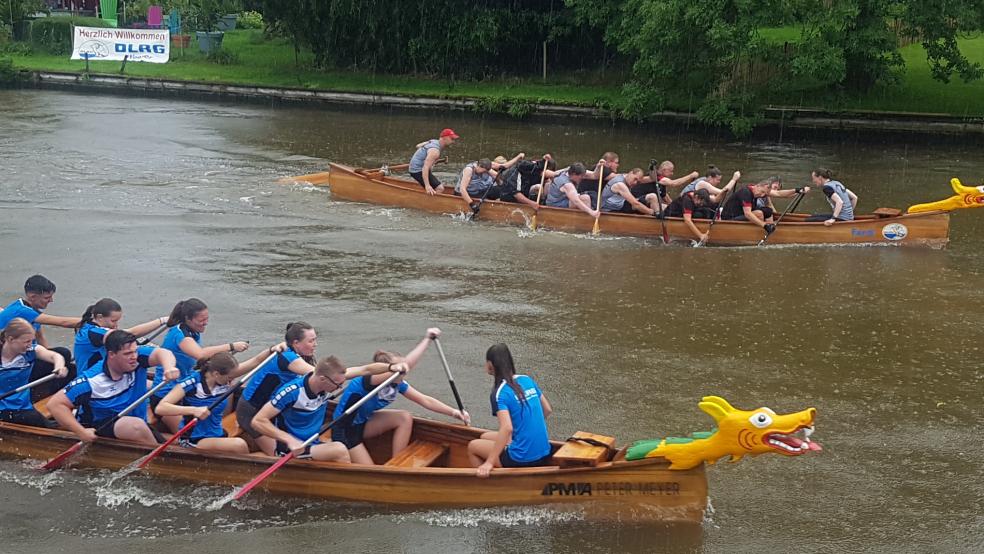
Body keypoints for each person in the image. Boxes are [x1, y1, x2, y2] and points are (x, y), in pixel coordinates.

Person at [332, 327, 471, 465]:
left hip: (363, 424)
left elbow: (425, 400)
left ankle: (397, 463)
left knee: (404, 417)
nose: (404, 371)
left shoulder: (397, 383)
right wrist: (427, 339)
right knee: (371, 470)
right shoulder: (371, 380)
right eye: (399, 367)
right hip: (344, 431)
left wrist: (454, 412)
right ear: (387, 369)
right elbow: (408, 364)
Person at [252, 356, 408, 461]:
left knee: (339, 450)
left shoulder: (330, 379)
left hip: (312, 442)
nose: (339, 387)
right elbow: (258, 421)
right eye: (337, 385)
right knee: (340, 450)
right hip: (292, 449)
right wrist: (290, 440)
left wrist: (391, 367)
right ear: (322, 379)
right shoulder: (291, 392)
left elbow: (366, 370)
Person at [47, 331, 179, 446]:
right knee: (135, 426)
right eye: (127, 353)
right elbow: (55, 405)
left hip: (134, 420)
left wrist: (169, 367)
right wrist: (81, 432)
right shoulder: (91, 381)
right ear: (111, 354)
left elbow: (164, 353)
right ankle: (158, 462)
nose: (134, 357)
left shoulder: (138, 358)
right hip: (100, 425)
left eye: (135, 351)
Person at [154, 347, 280, 454]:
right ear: (216, 374)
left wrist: (272, 349)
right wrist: (194, 410)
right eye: (229, 377)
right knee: (239, 444)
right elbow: (161, 407)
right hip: (194, 439)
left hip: (216, 433)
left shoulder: (223, 376)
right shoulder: (191, 383)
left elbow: (256, 360)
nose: (231, 380)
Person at [151, 298, 250, 433]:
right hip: (167, 395)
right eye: (201, 320)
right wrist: (231, 346)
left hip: (187, 390)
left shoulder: (193, 331)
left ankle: (219, 425)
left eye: (207, 318)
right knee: (188, 435)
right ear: (188, 319)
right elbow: (201, 354)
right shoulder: (179, 334)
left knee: (229, 387)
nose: (206, 323)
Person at [467, 344, 552, 477]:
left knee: (472, 446)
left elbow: (507, 428)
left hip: (521, 458)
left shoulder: (499, 393)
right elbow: (547, 410)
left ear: (490, 365)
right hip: (545, 451)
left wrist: (489, 462)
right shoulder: (527, 379)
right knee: (484, 436)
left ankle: (487, 488)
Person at [0, 275, 79, 399]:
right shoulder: (22, 311)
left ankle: (54, 392)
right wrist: (91, 322)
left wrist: (51, 358)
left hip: (25, 353)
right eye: (47, 297)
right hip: (12, 361)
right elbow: (63, 323)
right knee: (64, 354)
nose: (51, 300)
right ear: (32, 297)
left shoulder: (32, 311)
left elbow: (41, 338)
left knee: (66, 361)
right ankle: (54, 396)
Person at [0, 318, 68, 428]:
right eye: (26, 341)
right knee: (39, 422)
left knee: (64, 352)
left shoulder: (31, 351)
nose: (30, 345)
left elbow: (55, 356)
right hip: (3, 409)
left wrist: (59, 367)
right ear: (10, 339)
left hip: (23, 406)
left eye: (31, 341)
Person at [73, 298, 167, 373]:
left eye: (117, 320)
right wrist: (162, 321)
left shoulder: (89, 325)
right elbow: (131, 333)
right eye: (113, 321)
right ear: (99, 317)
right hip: (94, 379)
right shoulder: (94, 332)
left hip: (106, 373)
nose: (116, 325)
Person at [456, 154, 524, 208]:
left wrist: (518, 157)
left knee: (502, 189)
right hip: (465, 194)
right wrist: (472, 204)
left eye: (487, 171)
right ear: (479, 166)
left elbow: (505, 166)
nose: (485, 172)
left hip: (478, 191)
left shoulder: (487, 165)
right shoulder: (469, 170)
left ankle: (511, 203)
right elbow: (463, 190)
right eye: (484, 171)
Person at [408, 128, 459, 195]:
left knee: (434, 183)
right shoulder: (435, 151)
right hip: (417, 170)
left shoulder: (433, 141)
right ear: (445, 138)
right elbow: (425, 168)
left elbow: (417, 146)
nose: (453, 141)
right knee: (440, 188)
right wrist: (427, 186)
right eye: (452, 139)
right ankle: (426, 203)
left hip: (416, 167)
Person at [635, 161, 701, 208]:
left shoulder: (662, 183)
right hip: (637, 201)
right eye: (671, 171)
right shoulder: (654, 176)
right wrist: (691, 176)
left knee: (667, 208)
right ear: (664, 170)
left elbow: (665, 197)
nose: (672, 173)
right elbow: (673, 183)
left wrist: (675, 207)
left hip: (647, 203)